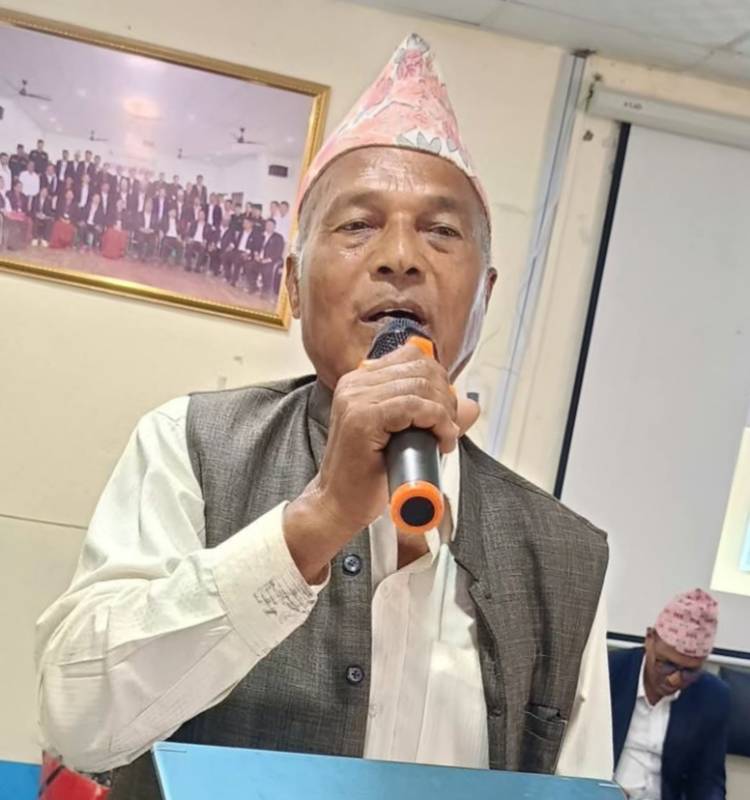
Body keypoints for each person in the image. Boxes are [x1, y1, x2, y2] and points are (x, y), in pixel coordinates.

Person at [36, 34, 611, 799]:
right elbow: (79, 722)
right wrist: (320, 517)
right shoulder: (191, 445)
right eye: (357, 225)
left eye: (442, 232)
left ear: (486, 293)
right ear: (294, 285)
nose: (401, 257)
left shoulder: (567, 554)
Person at [609, 589, 730, 800]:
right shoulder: (609, 672)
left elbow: (708, 781)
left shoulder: (713, 697)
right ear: (649, 639)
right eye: (667, 664)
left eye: (689, 671)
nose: (674, 680)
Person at [250, 217, 285, 298]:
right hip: (260, 259)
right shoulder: (261, 235)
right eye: (267, 225)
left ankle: (265, 291)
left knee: (266, 270)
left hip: (271, 260)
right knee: (250, 266)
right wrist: (256, 255)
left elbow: (278, 253)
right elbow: (255, 246)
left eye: (270, 225)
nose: (268, 227)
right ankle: (253, 286)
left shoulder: (278, 237)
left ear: (274, 227)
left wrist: (267, 260)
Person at [227, 217, 255, 286]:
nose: (244, 224)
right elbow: (236, 242)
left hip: (246, 253)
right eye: (243, 223)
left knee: (238, 259)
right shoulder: (241, 232)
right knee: (225, 255)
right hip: (237, 250)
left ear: (251, 224)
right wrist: (231, 246)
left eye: (246, 223)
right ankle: (227, 276)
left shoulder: (255, 234)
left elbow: (255, 246)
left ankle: (234, 280)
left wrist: (247, 253)